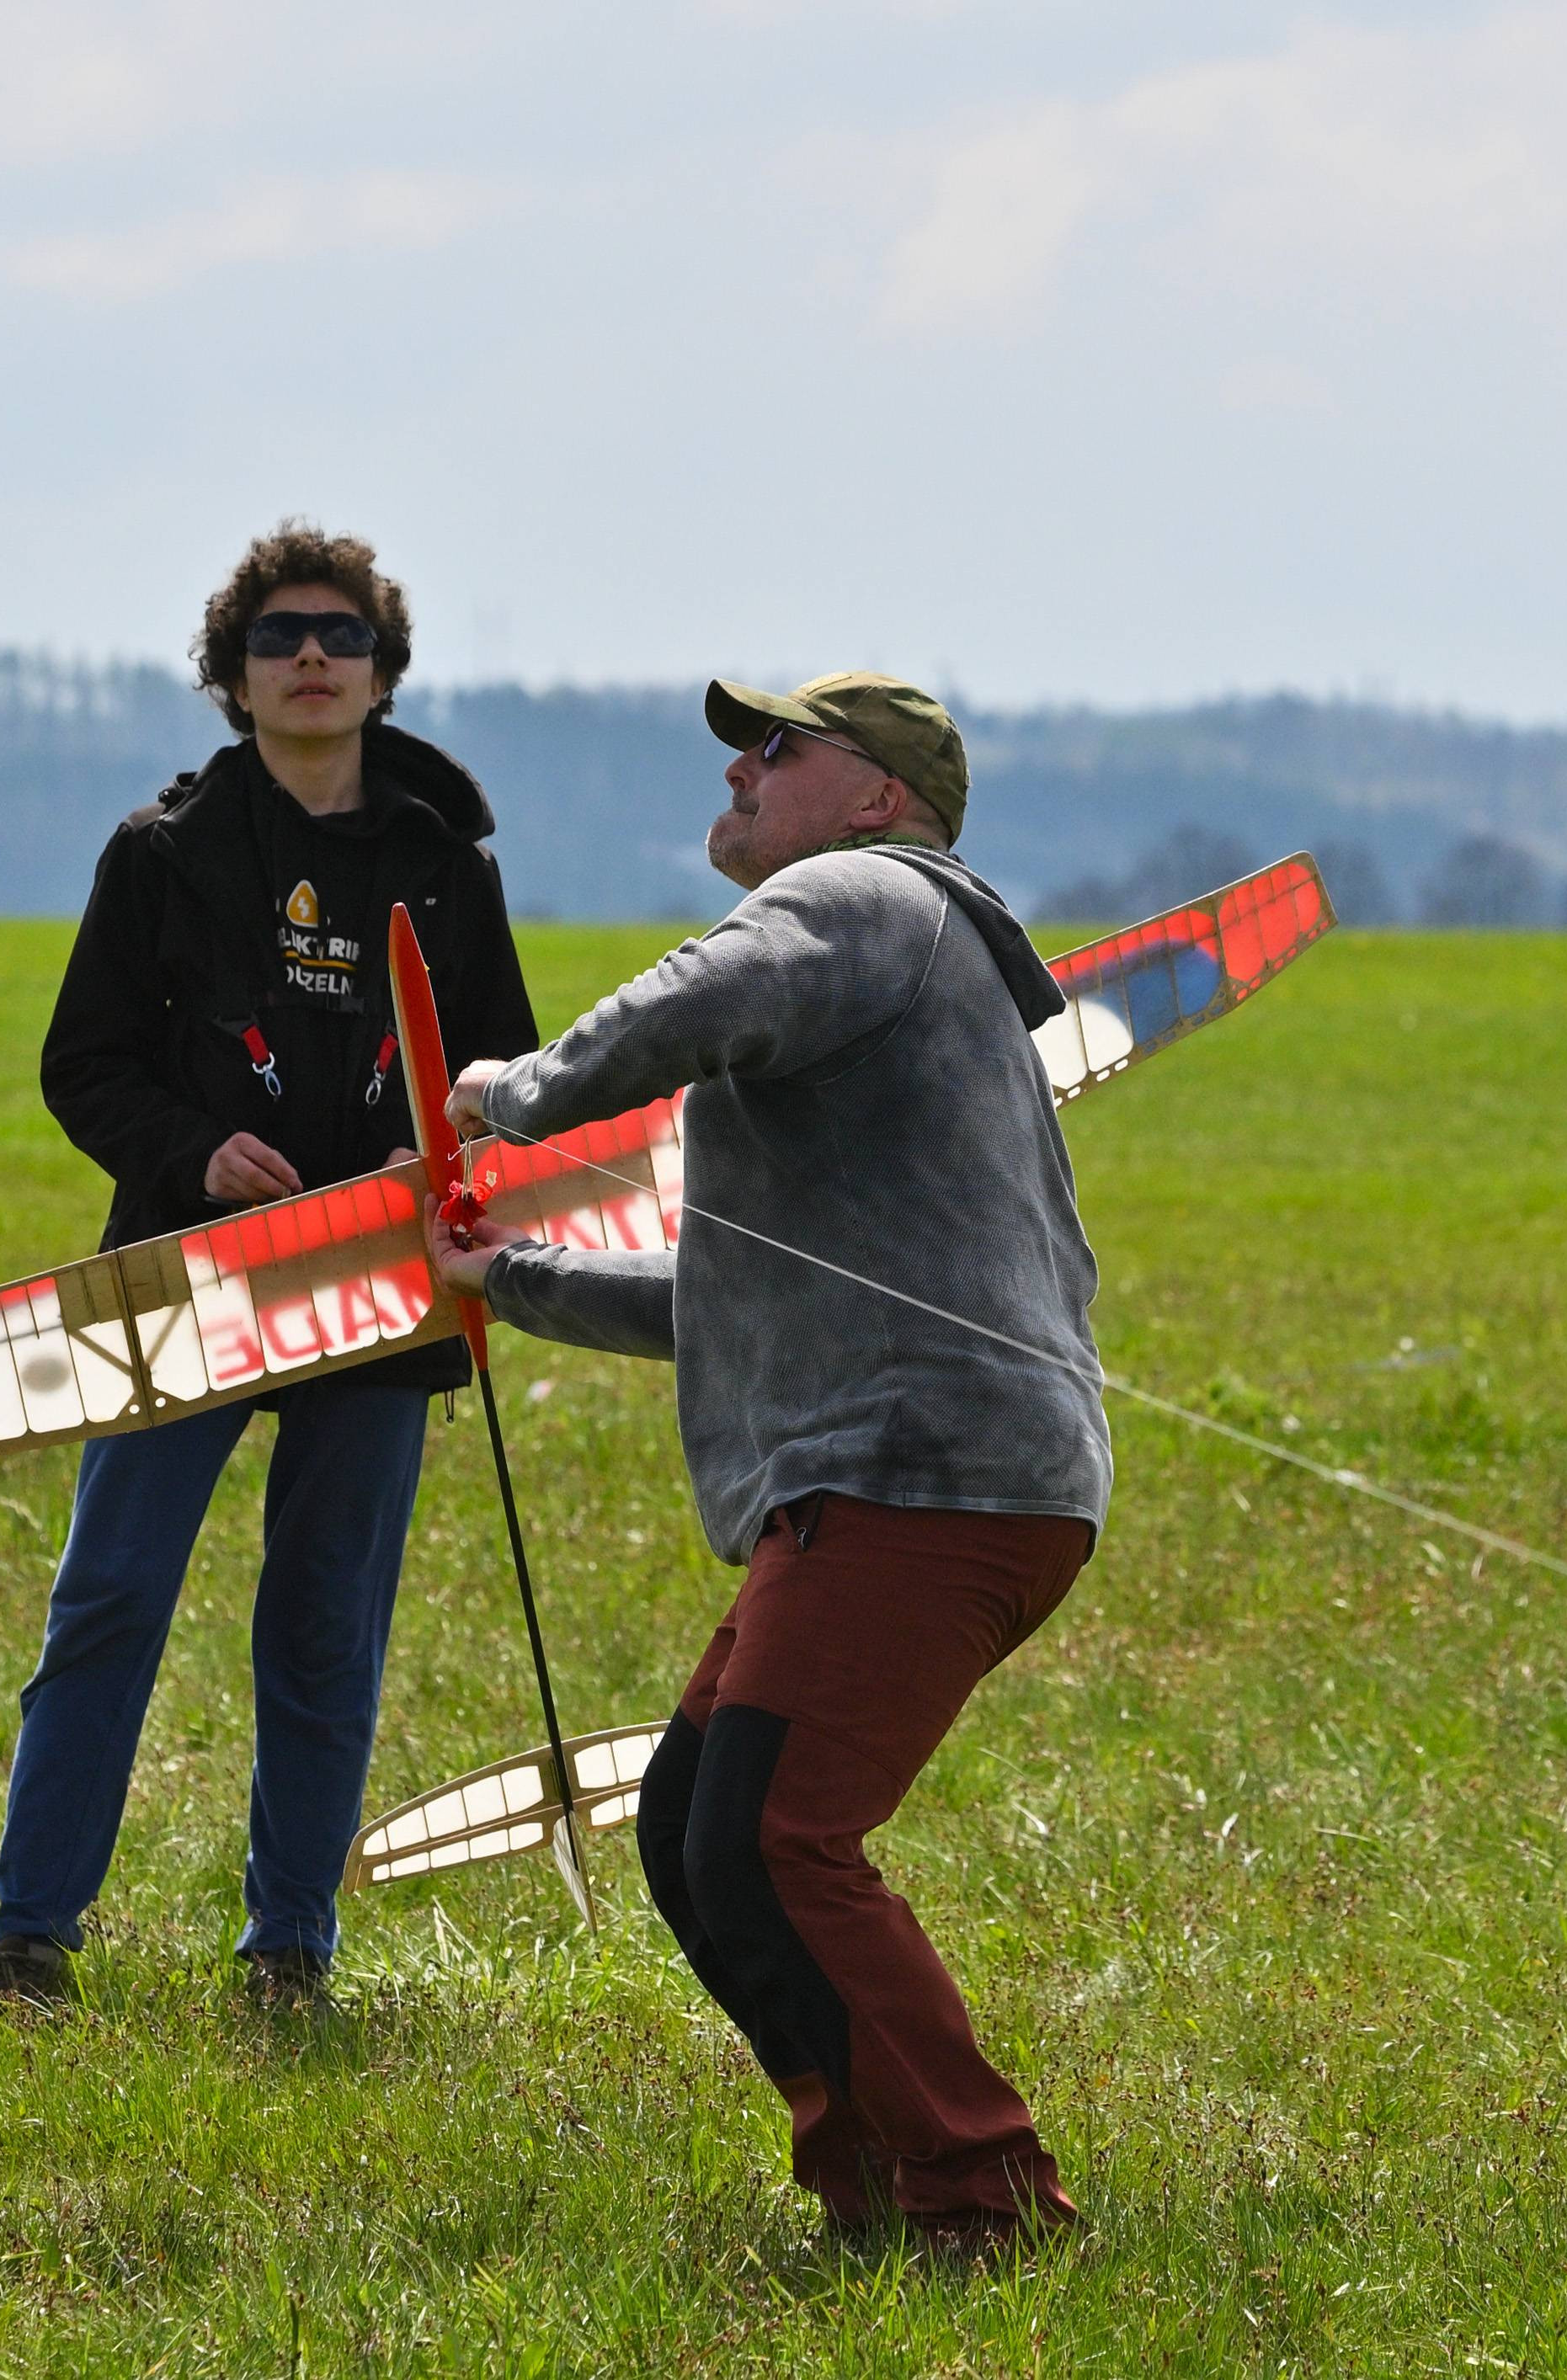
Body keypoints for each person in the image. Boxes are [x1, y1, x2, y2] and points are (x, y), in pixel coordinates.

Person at [426, 673, 1111, 2246]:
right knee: (693, 1831)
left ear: (879, 797)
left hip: (925, 1477)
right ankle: (871, 2184)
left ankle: (984, 2196)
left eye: (778, 746)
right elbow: (729, 1300)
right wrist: (510, 1277)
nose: (740, 768)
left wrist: (512, 1094)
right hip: (912, 1481)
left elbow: (697, 996)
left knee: (770, 1838)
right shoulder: (890, 950)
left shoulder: (868, 894)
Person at [0, 522, 537, 2008]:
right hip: (189, 1275)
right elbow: (84, 1064)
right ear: (234, 673)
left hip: (382, 1285)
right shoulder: (162, 853)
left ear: (383, 671)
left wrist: (439, 1149)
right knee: (110, 1596)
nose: (312, 657)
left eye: (342, 635)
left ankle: (289, 1948)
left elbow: (508, 1072)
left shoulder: (446, 865)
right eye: (278, 636)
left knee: (325, 1620)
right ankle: (31, 1938)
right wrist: (196, 1152)